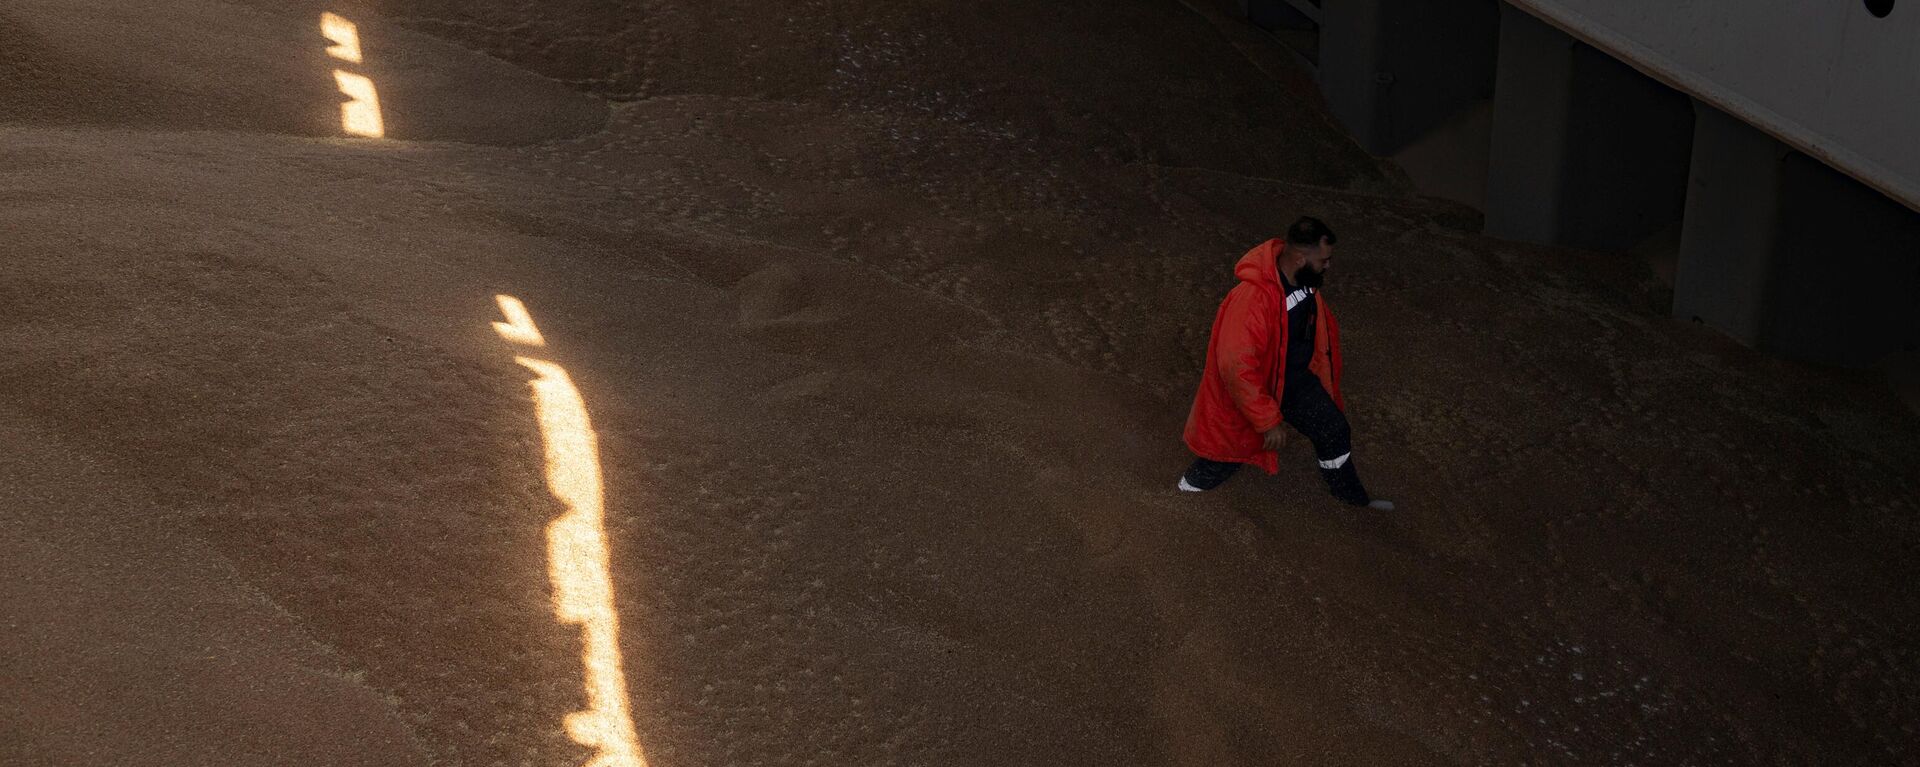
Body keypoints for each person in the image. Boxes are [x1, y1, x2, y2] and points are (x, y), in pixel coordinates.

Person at [1178, 217, 1394, 510]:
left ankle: (1350, 500)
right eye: (1324, 260)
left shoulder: (1305, 281)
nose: (1328, 266)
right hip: (1258, 387)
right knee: (1227, 453)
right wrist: (1267, 420)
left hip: (1294, 381)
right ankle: (1181, 500)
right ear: (1300, 258)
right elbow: (1236, 367)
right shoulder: (1253, 299)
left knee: (1333, 430)